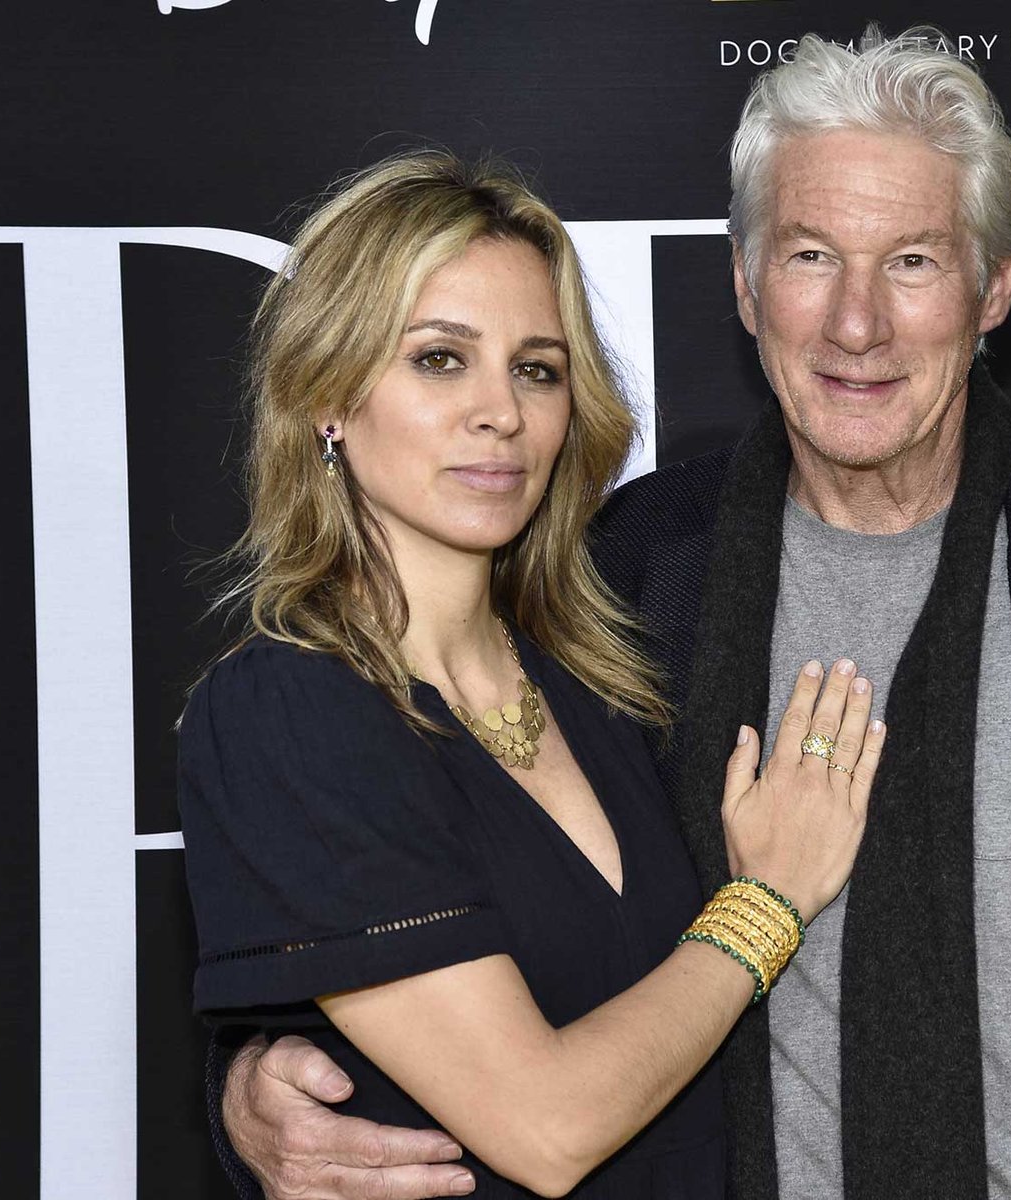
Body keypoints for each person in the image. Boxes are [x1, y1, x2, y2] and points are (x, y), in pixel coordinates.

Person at [212, 29, 1011, 1200]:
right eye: (811, 255)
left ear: (992, 288)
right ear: (744, 281)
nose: (855, 324)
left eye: (912, 261)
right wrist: (259, 1094)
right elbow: (437, 918)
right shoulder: (615, 580)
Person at [177, 150, 888, 1200]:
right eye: (439, 359)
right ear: (327, 396)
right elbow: (547, 1129)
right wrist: (768, 900)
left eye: (537, 369)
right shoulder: (289, 712)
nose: (500, 413)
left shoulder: (603, 675)